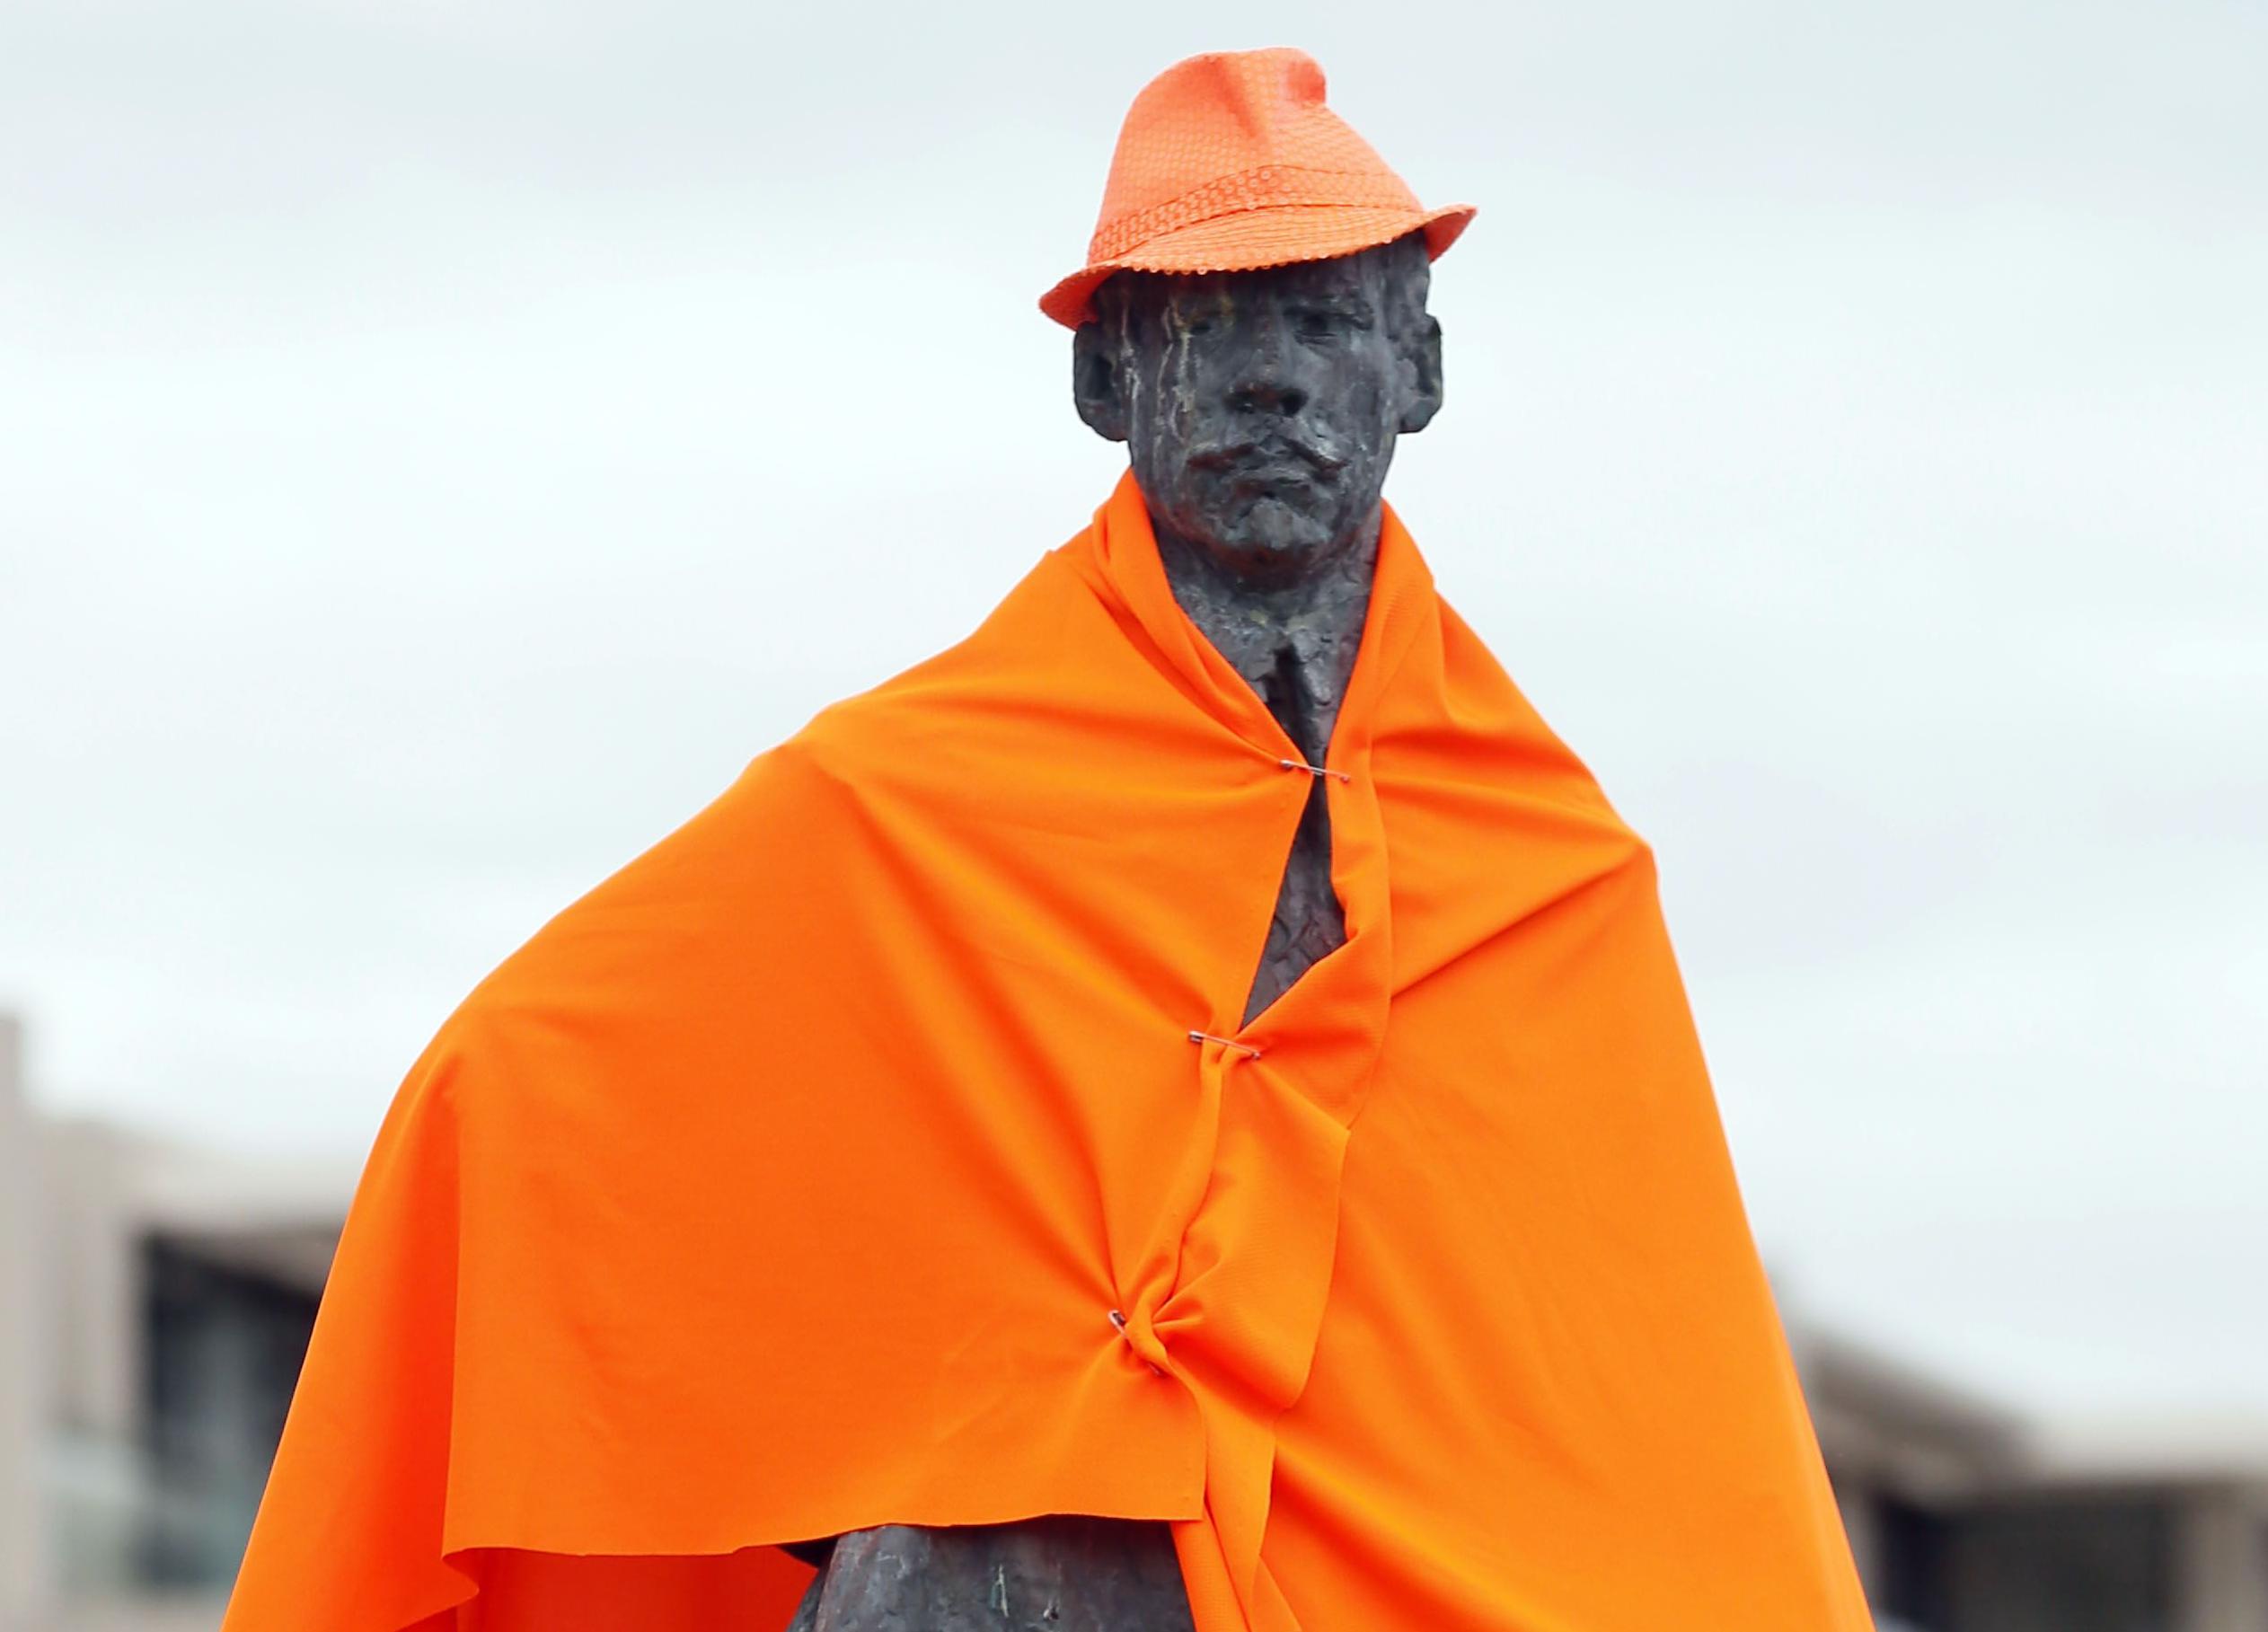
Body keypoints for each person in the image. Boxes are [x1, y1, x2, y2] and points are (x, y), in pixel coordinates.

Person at [220, 48, 1875, 1632]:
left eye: (1319, 321)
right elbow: (517, 1080)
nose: (1272, 378)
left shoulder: (1550, 867)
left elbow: (1647, 1414)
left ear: (1419, 373)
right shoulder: (909, 797)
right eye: (1207, 327)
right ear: (1105, 381)